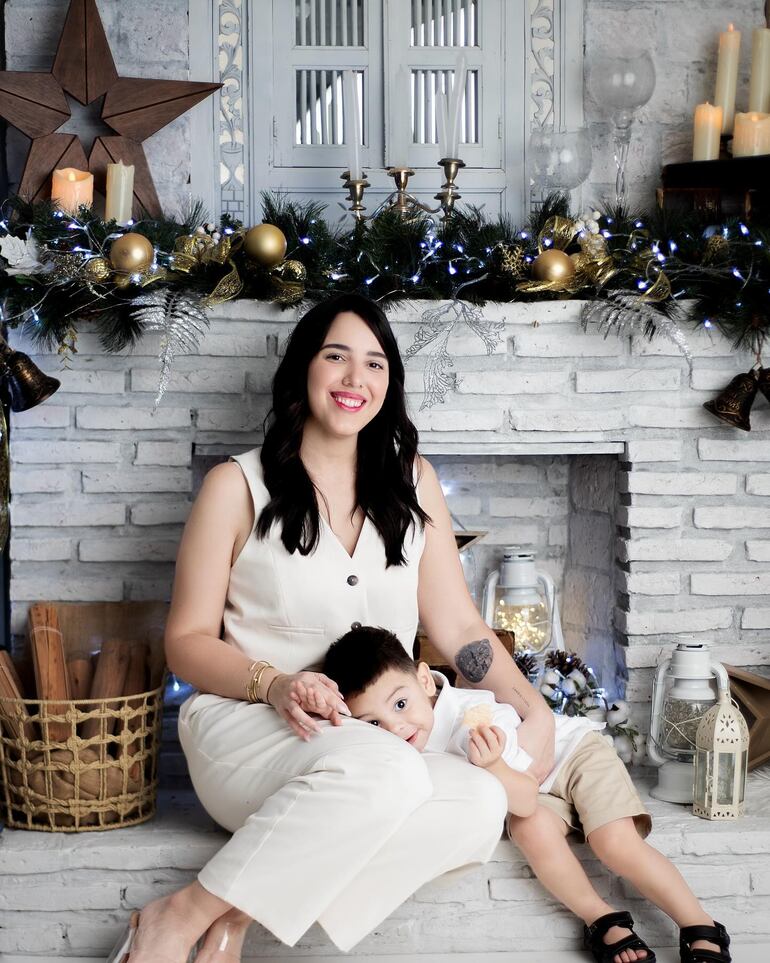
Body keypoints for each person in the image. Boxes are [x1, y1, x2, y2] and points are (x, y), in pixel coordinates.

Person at [107, 292, 559, 963]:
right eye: (337, 357)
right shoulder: (237, 486)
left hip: (376, 739)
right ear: (303, 371)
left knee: (478, 802)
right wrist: (275, 683)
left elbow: (459, 620)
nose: (356, 379)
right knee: (395, 777)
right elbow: (186, 641)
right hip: (253, 726)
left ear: (389, 384)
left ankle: (227, 916)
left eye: (375, 364)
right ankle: (180, 916)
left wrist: (533, 705)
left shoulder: (413, 483)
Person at [322, 626, 732, 963]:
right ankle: (603, 918)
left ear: (424, 679)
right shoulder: (401, 747)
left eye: (400, 703)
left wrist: (496, 766)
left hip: (570, 757)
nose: (395, 727)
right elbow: (527, 806)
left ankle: (699, 923)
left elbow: (520, 795)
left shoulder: (475, 719)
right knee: (532, 831)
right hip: (533, 788)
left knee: (613, 842)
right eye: (373, 722)